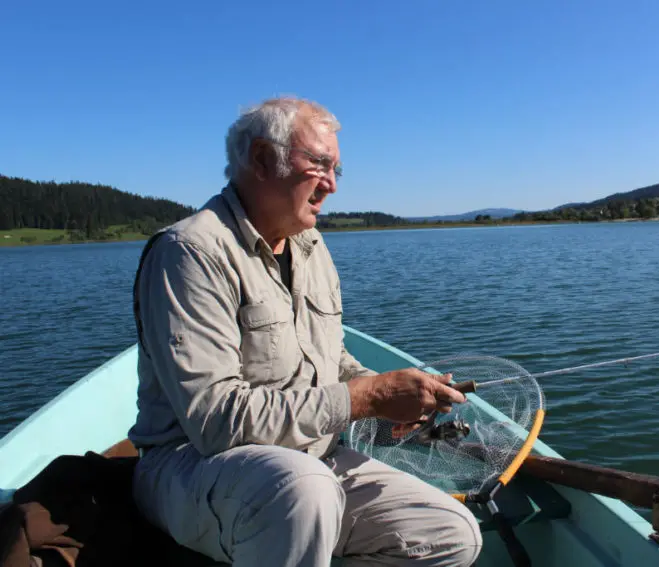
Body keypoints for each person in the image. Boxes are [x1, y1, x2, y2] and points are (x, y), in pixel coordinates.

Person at [128, 97, 483, 567]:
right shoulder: (190, 252)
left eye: (337, 169)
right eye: (318, 164)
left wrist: (392, 402)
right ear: (260, 159)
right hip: (187, 466)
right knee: (303, 489)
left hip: (309, 459)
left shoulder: (312, 247)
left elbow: (330, 359)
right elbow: (216, 423)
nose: (332, 185)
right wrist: (366, 397)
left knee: (451, 534)